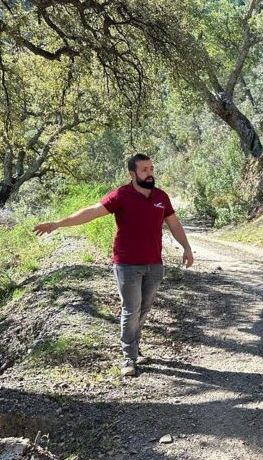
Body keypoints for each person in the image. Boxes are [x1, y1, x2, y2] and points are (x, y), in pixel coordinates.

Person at [33, 154, 194, 378]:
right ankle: (129, 357)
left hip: (154, 264)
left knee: (144, 308)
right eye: (144, 170)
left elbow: (174, 223)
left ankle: (135, 348)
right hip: (127, 264)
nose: (150, 173)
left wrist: (186, 247)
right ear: (132, 174)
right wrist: (58, 224)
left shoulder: (161, 197)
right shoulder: (121, 195)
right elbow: (91, 212)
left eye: (151, 169)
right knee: (131, 309)